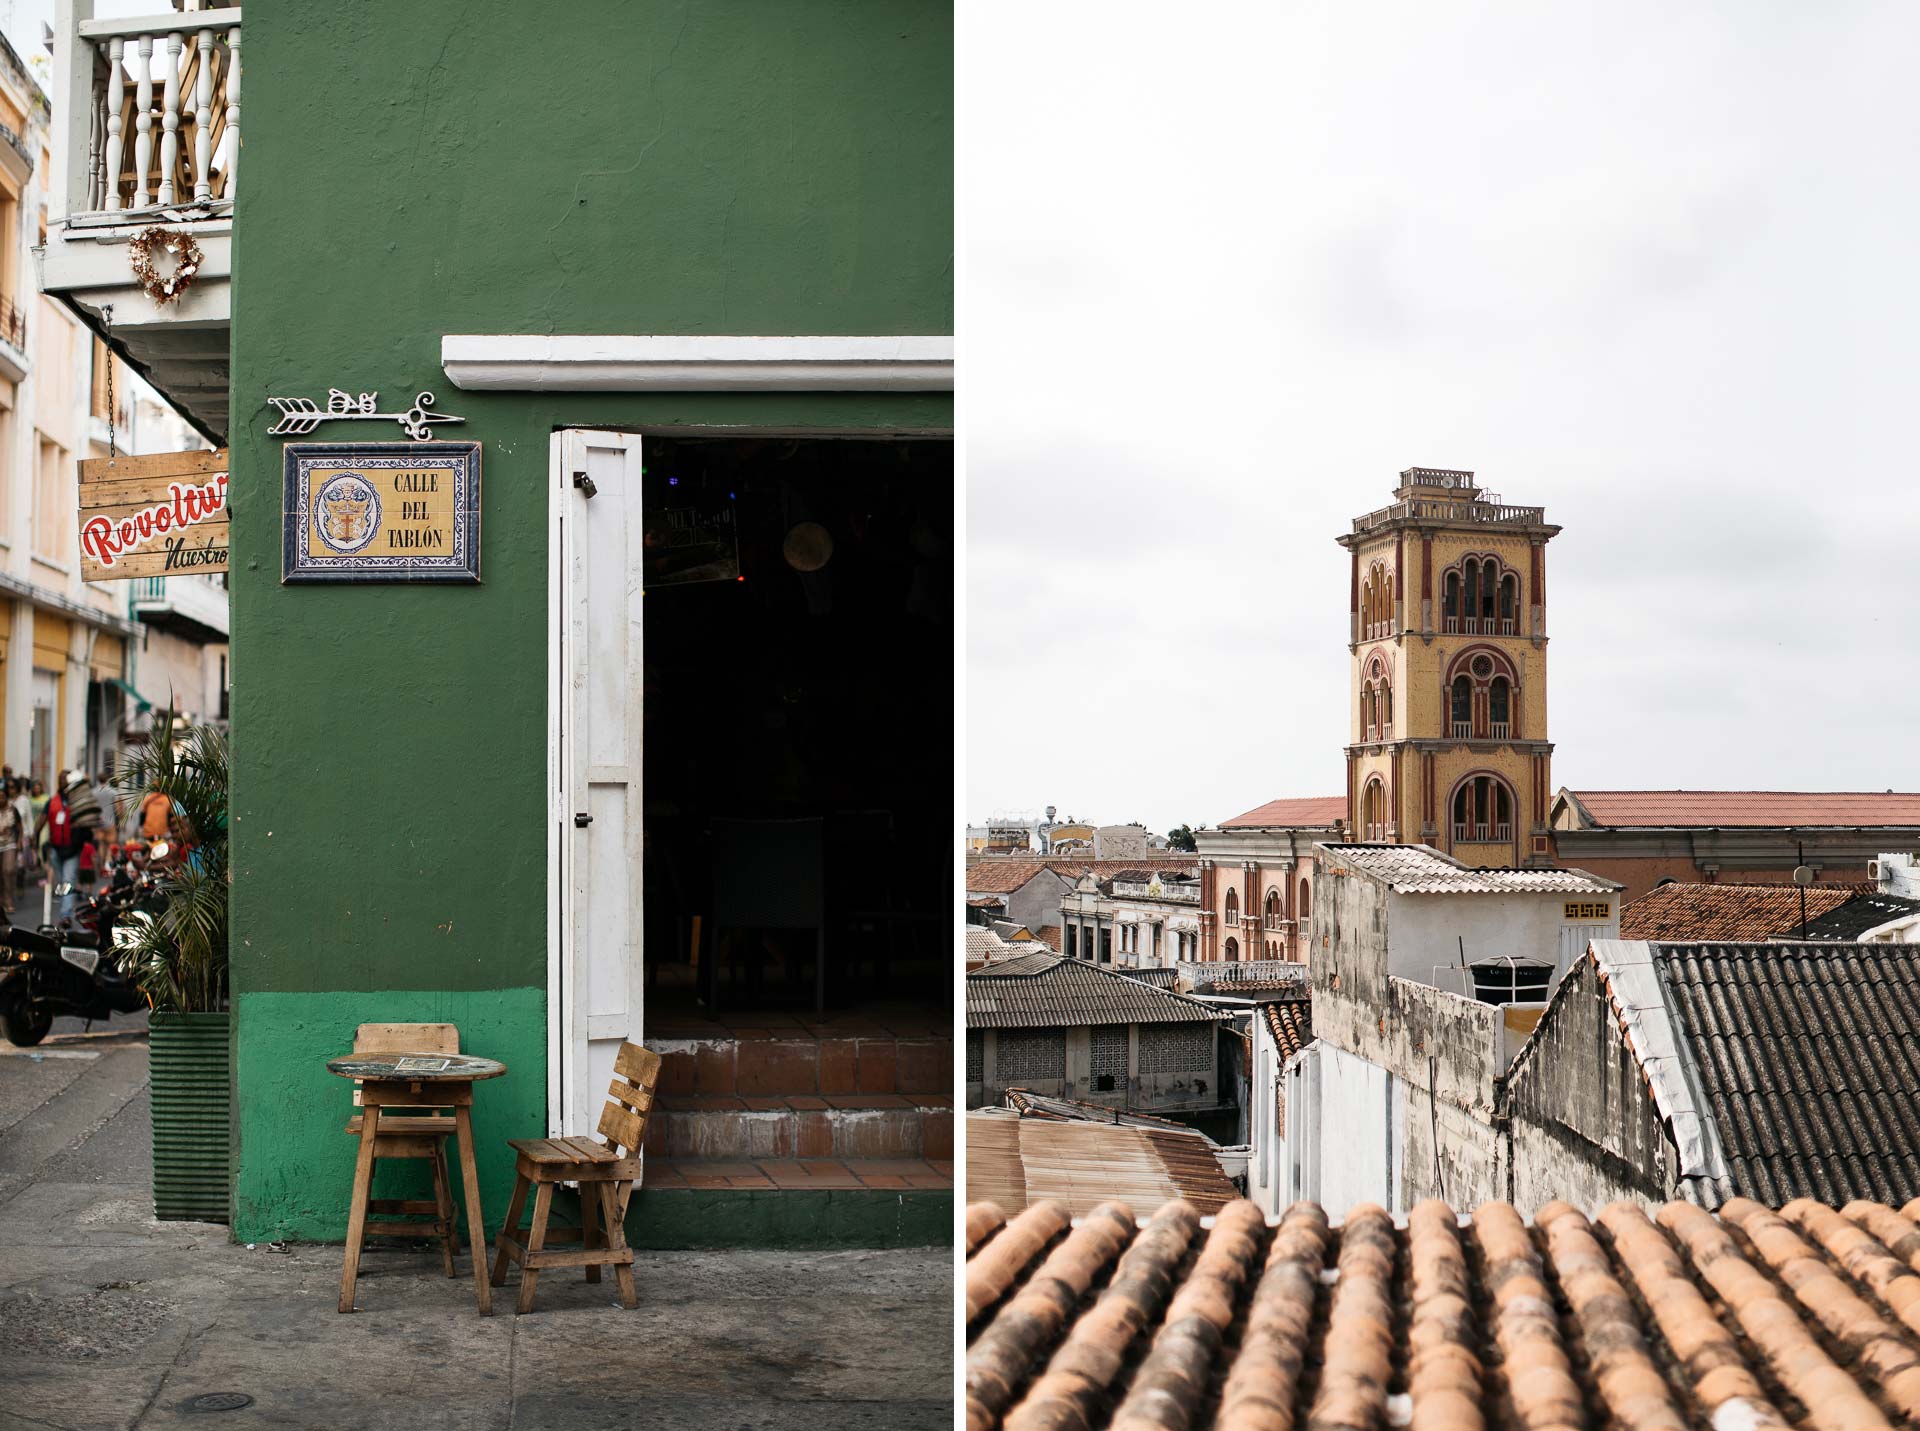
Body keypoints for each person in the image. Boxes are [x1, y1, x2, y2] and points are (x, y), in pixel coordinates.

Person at [37, 771, 101, 923]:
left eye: (64, 780)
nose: (62, 783)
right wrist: (35, 839)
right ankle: (66, 908)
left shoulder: (79, 800)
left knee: (68, 881)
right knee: (62, 883)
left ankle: (66, 916)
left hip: (73, 849)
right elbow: (42, 819)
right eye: (59, 780)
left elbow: (89, 819)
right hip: (55, 849)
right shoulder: (52, 801)